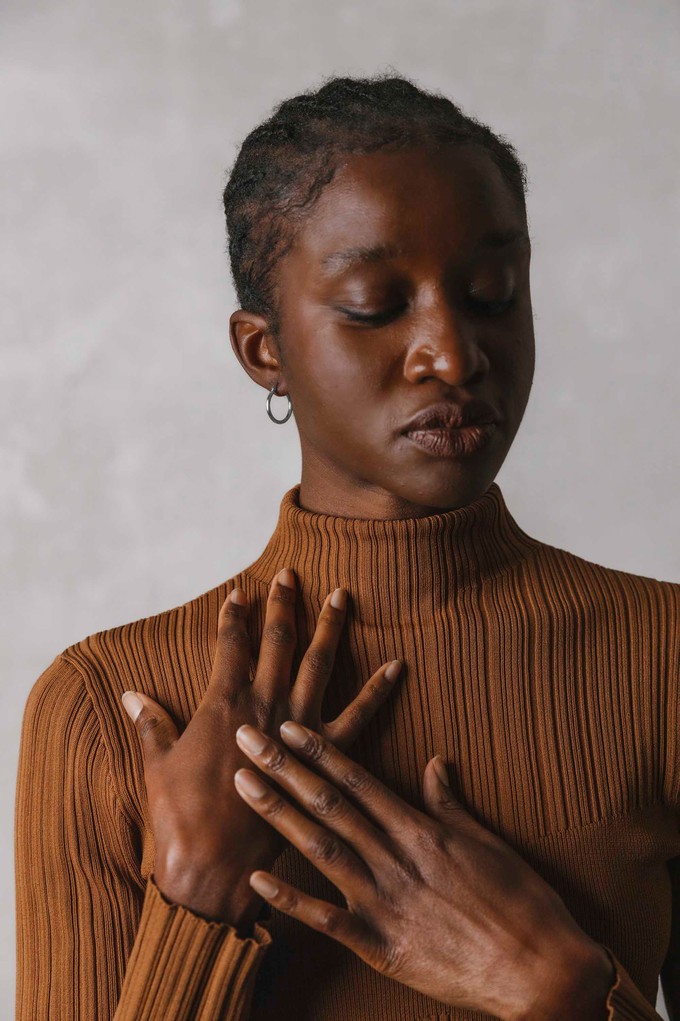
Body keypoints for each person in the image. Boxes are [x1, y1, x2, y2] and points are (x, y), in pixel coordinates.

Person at [14, 72, 680, 1021]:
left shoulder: (664, 660)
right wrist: (197, 899)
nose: (453, 354)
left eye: (494, 294)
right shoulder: (105, 706)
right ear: (263, 350)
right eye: (375, 305)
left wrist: (560, 989)